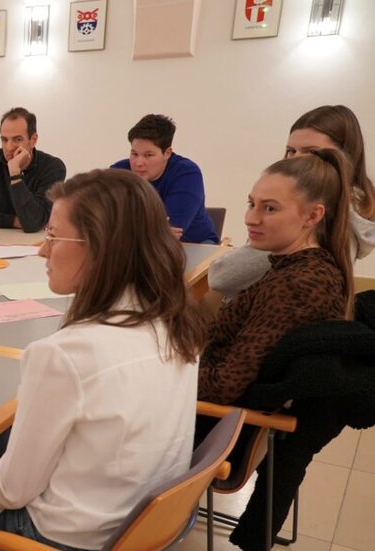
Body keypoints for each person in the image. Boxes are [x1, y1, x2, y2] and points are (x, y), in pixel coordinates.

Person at [0, 168, 205, 551]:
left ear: (100, 249)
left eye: (54, 236)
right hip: (126, 549)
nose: (42, 250)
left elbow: (9, 492)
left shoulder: (65, 354)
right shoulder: (173, 322)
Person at [199, 149, 354, 406]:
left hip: (211, 419)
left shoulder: (300, 285)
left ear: (313, 216)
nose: (250, 218)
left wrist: (163, 377)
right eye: (252, 204)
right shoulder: (293, 268)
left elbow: (224, 386)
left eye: (269, 208)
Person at [209, 104, 375, 297]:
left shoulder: (335, 218)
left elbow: (222, 275)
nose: (294, 160)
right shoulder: (350, 208)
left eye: (311, 152)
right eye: (291, 151)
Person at [111, 114, 219, 243]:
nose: (138, 163)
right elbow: (101, 222)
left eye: (148, 155)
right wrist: (152, 230)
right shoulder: (119, 172)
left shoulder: (187, 173)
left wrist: (125, 226)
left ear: (167, 153)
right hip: (138, 246)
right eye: (134, 154)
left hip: (195, 245)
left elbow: (170, 232)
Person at [0, 107, 67, 232]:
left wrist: (15, 174)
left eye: (17, 139)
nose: (9, 147)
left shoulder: (53, 167)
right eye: (4, 140)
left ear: (33, 140)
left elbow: (33, 223)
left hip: (35, 243)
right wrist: (15, 221)